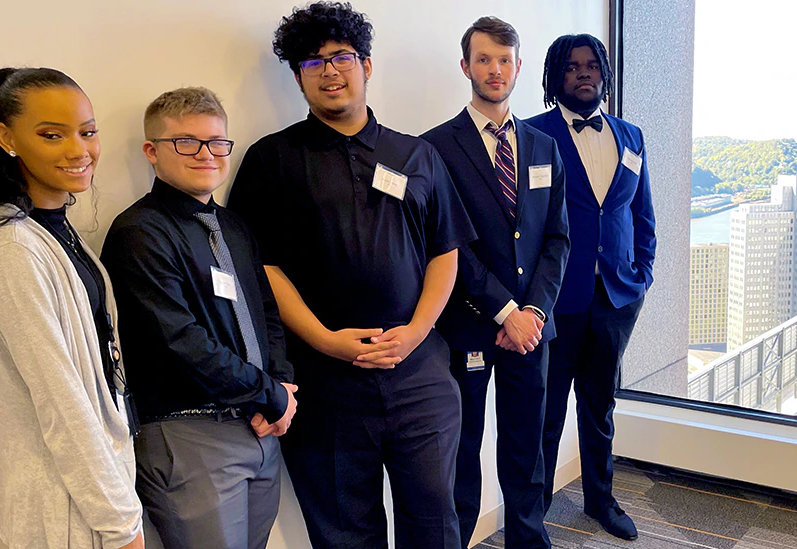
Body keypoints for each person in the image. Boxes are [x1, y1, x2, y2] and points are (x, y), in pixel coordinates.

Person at [226, 3, 476, 548]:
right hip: (325, 382)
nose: (329, 71)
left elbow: (445, 252)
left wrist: (414, 333)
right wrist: (325, 341)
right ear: (298, 77)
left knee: (434, 523)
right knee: (343, 533)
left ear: (366, 65)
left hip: (419, 374)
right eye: (312, 63)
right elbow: (261, 267)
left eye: (341, 57)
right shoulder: (271, 161)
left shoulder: (418, 155)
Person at [0, 68, 144, 549]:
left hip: (93, 492)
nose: (78, 150)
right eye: (51, 135)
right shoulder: (13, 250)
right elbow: (61, 402)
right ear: (7, 138)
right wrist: (120, 522)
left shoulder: (58, 233)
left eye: (87, 132)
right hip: (62, 507)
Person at [100, 87, 296, 549]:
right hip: (190, 436)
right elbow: (179, 342)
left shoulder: (233, 226)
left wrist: (282, 385)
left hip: (259, 429)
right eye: (186, 142)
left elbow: (265, 313)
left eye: (216, 142)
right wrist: (270, 394)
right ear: (152, 151)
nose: (206, 154)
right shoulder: (139, 233)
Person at [421, 16, 568, 549]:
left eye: (505, 59)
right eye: (484, 59)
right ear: (466, 67)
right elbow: (446, 246)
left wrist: (534, 315)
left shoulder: (544, 145)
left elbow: (557, 240)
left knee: (525, 446)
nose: (495, 69)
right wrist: (507, 311)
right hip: (469, 326)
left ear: (519, 67)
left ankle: (528, 538)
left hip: (533, 330)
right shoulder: (433, 149)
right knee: (462, 451)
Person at [527, 34, 656, 541]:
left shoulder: (631, 136)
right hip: (555, 301)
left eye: (591, 66)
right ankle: (531, 507)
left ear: (604, 73)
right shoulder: (533, 134)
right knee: (546, 409)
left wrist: (641, 274)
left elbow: (640, 213)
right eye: (571, 67)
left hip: (616, 298)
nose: (583, 74)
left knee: (600, 407)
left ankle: (600, 500)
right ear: (556, 77)